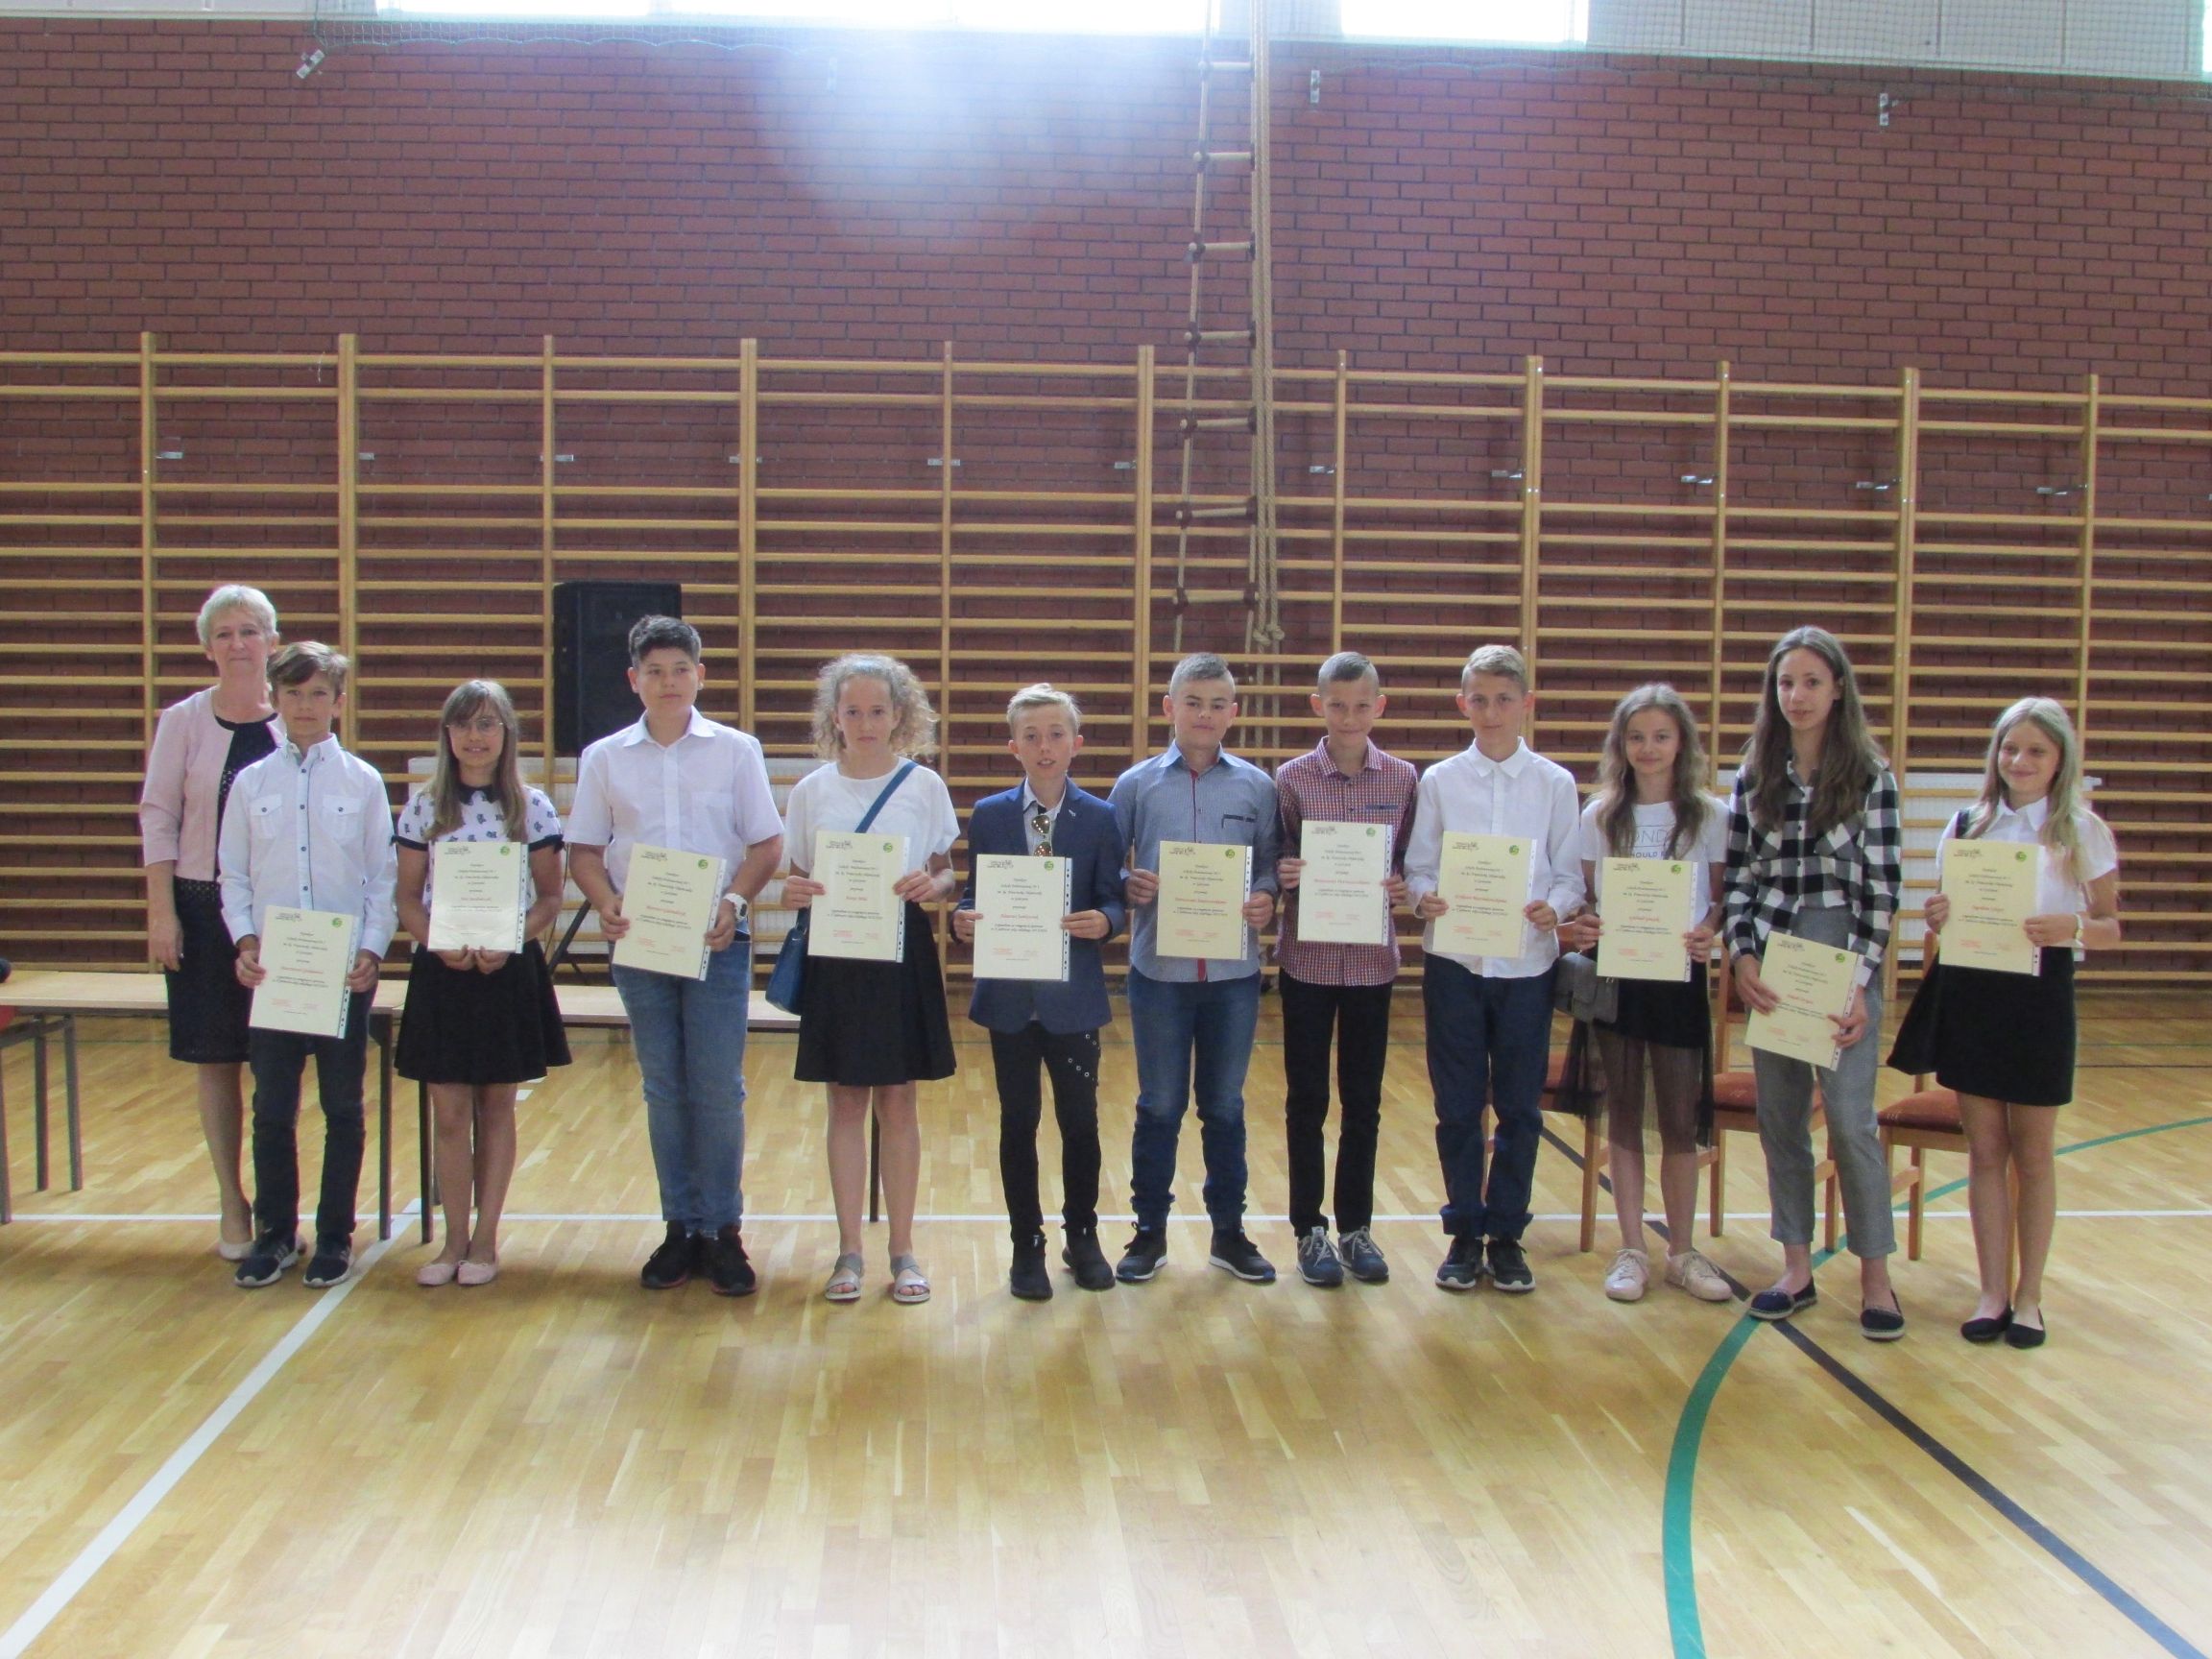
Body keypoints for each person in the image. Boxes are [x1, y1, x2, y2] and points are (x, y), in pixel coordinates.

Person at [1889, 698, 2119, 1349]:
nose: (2019, 761)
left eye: (2036, 751)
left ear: (2060, 760)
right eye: (2010, 748)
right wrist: (1938, 915)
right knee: (1985, 1150)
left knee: (2034, 1153)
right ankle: (1991, 1291)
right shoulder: (1967, 822)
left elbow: (2111, 926)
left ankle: (2030, 1297)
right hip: (1975, 992)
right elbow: (1948, 911)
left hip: (2041, 995)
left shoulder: (2082, 829)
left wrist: (2073, 926)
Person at [568, 616, 783, 1298]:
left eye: (680, 670)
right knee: (664, 1088)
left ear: (700, 676)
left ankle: (722, 1229)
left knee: (717, 1088)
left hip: (718, 941)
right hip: (641, 944)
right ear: (634, 680)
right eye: (654, 672)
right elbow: (584, 851)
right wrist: (605, 902)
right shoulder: (604, 757)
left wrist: (735, 904)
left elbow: (766, 845)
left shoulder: (737, 751)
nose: (668, 683)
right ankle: (680, 1227)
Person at [1722, 625, 1905, 1339]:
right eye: (1785, 683)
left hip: (1841, 954)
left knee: (1853, 1122)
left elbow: (1883, 890)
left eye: (1811, 682)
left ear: (1837, 691)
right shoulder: (1754, 774)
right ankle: (1795, 1267)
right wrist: (1742, 957)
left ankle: (1876, 1277)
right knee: (1781, 1118)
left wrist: (1859, 982)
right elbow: (1739, 878)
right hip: (1773, 955)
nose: (1796, 696)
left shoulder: (1870, 775)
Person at [781, 654, 959, 1306]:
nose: (864, 723)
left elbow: (947, 872)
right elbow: (798, 877)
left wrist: (933, 885)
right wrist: (793, 892)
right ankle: (849, 1251)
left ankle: (904, 1251)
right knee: (846, 1101)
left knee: (900, 1100)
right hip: (835, 955)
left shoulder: (923, 786)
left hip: (900, 951)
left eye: (877, 711)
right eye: (852, 711)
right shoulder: (811, 791)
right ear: (834, 717)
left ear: (898, 715)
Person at [1404, 644, 1582, 1293]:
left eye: (1504, 699)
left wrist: (1555, 908)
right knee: (1456, 1106)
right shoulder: (1440, 781)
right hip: (1455, 961)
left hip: (1526, 965)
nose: (1491, 711)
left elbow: (1569, 875)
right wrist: (1425, 897)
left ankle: (1506, 1234)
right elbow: (1419, 866)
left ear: (1526, 703)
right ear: (1462, 704)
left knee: (1518, 1107)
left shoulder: (1555, 784)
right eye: (1478, 699)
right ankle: (1463, 1231)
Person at [218, 642, 397, 1289]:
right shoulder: (251, 783)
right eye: (292, 693)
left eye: (318, 693)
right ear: (275, 699)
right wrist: (245, 942)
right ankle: (275, 1234)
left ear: (339, 702)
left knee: (343, 1107)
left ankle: (335, 1235)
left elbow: (382, 878)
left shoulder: (363, 782)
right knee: (272, 1107)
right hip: (276, 975)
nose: (305, 705)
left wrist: (371, 951)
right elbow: (233, 876)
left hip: (342, 973)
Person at [1109, 651, 1282, 1286]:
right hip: (1159, 974)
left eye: (1217, 704)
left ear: (1233, 712)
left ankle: (1229, 1234)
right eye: (1193, 702)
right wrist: (1128, 883)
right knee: (1159, 1105)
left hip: (1234, 976)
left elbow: (1270, 866)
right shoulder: (1136, 785)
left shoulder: (1257, 788)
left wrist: (1265, 897)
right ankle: (1148, 1232)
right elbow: (1108, 865)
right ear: (1169, 708)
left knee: (1225, 1107)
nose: (1205, 715)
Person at [394, 681, 571, 1287]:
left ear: (506, 734)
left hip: (506, 970)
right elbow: (406, 898)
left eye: (488, 724)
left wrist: (511, 938)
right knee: (448, 1111)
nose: (476, 736)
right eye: (465, 724)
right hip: (442, 972)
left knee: (497, 1106)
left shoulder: (533, 808)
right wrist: (435, 940)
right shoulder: (424, 807)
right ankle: (452, 1242)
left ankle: (486, 1239)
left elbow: (550, 898)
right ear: (447, 734)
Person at [952, 684, 1127, 1300]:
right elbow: (976, 894)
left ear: (1076, 743)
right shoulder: (990, 814)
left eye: (1056, 735)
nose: (1045, 746)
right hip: (1010, 998)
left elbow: (1113, 898)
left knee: (1081, 1122)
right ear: (1014, 747)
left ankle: (1083, 1236)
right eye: (1031, 736)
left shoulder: (1100, 817)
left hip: (1072, 997)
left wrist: (1105, 921)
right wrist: (964, 919)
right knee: (1018, 1121)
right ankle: (1026, 1244)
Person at [1568, 685, 1732, 1306]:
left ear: (1682, 742)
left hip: (1678, 981)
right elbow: (1588, 900)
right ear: (1621, 745)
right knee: (1625, 1115)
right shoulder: (1599, 815)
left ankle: (1682, 1252)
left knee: (1681, 1122)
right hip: (1618, 979)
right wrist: (1586, 924)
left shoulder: (1711, 816)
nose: (1649, 748)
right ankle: (1632, 1247)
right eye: (1636, 737)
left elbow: (1718, 901)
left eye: (1661, 736)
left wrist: (1708, 931)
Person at [140, 584, 283, 1261]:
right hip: (201, 908)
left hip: (278, 915)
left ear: (272, 643)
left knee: (279, 1064)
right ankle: (233, 1200)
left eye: (249, 631)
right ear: (207, 650)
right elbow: (158, 817)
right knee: (216, 1059)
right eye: (223, 634)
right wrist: (161, 912)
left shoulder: (296, 717)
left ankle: (281, 1202)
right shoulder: (182, 722)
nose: (237, 644)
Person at [1271, 651, 1416, 1287]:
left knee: (1364, 1102)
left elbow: (1410, 860)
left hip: (1371, 966)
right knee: (1306, 1101)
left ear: (1378, 707)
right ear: (1318, 706)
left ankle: (1356, 1227)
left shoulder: (1404, 779)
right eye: (1337, 705)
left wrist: (1401, 884)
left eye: (1361, 706)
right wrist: (1285, 872)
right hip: (1307, 961)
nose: (1349, 717)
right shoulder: (1292, 778)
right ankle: (1310, 1229)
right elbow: (1277, 854)